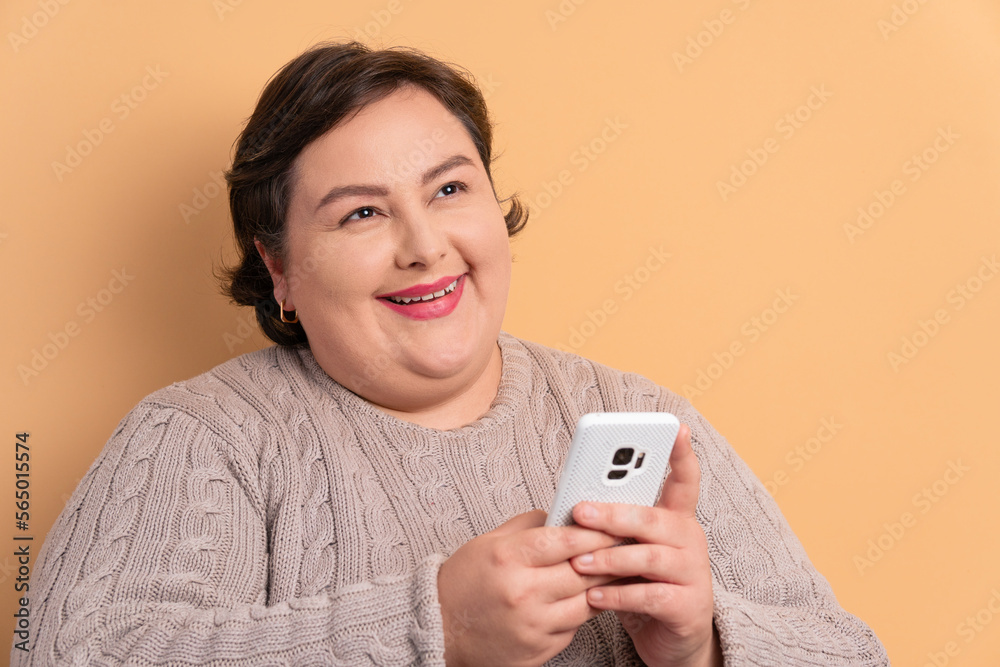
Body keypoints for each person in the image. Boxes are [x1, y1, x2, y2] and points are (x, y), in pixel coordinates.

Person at [16, 41, 889, 666]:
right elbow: (76, 654)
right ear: (278, 267)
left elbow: (855, 653)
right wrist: (432, 628)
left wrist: (701, 644)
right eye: (361, 212)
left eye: (450, 188)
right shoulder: (202, 438)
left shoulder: (641, 417)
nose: (425, 244)